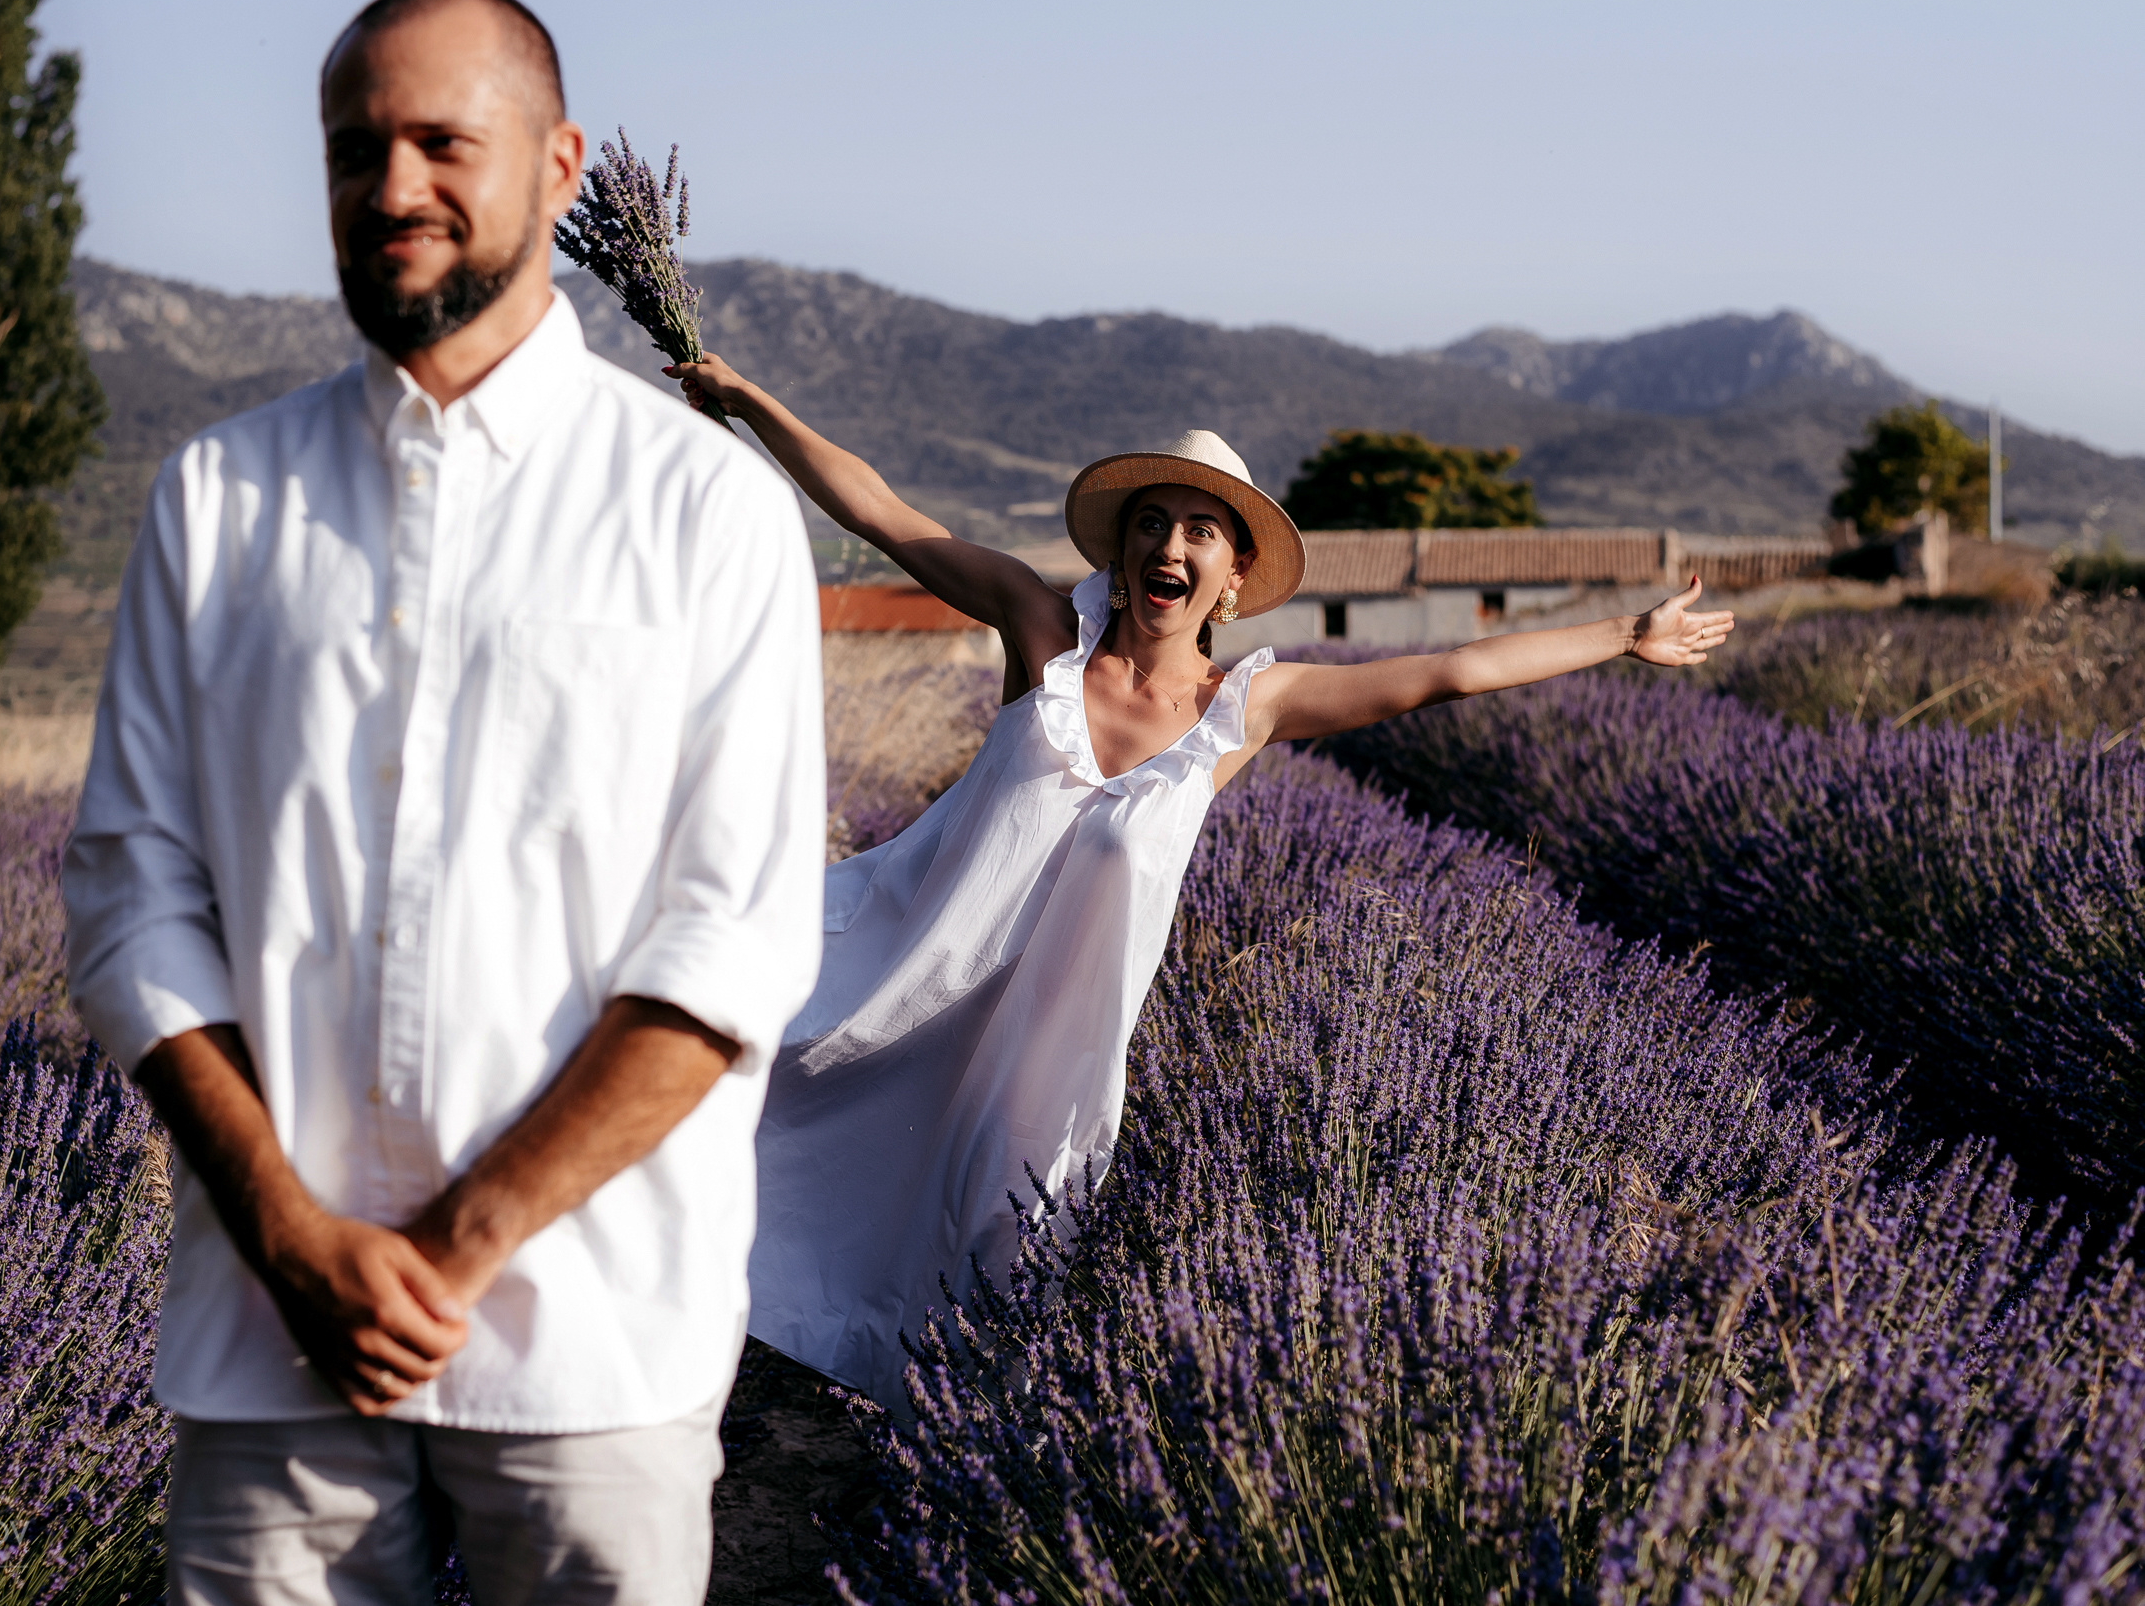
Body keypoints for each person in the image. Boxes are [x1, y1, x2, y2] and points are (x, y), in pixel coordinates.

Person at [61, 0, 823, 1606]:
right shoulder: (219, 498)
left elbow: (736, 937)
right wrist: (288, 1232)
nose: (391, 186)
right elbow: (133, 896)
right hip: (272, 1353)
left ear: (558, 167)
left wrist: (457, 1245)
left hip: (593, 1340)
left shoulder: (702, 511)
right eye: (354, 151)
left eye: (438, 141)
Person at [667, 353, 1734, 1407]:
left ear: (1228, 579)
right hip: (897, 976)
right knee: (722, 1087)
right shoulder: (1043, 640)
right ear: (1125, 549)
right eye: (1152, 523)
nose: (1168, 545)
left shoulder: (1242, 711)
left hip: (1046, 1062)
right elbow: (887, 516)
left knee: (990, 1286)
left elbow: (1449, 671)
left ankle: (934, 1479)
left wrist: (1623, 634)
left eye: (1200, 531)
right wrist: (749, 399)